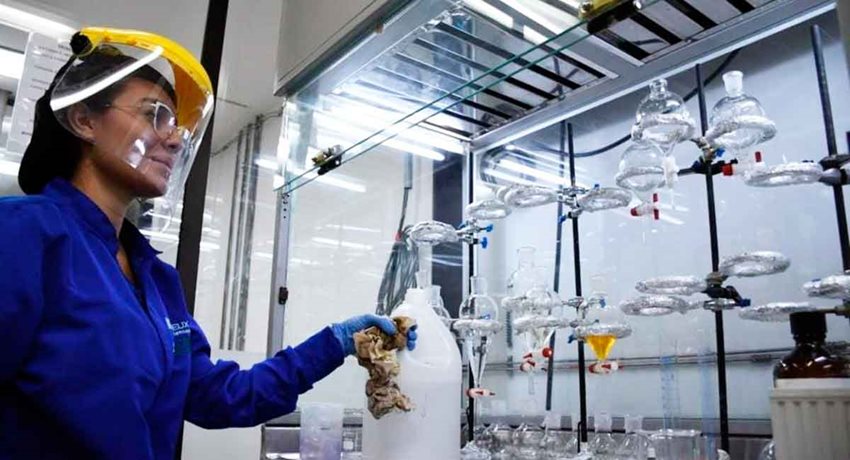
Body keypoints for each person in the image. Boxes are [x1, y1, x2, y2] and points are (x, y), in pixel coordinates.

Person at [0, 28, 416, 460]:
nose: (177, 138)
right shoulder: (24, 234)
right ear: (84, 119)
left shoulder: (156, 279)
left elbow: (218, 395)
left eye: (178, 124)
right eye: (155, 114)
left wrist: (334, 343)